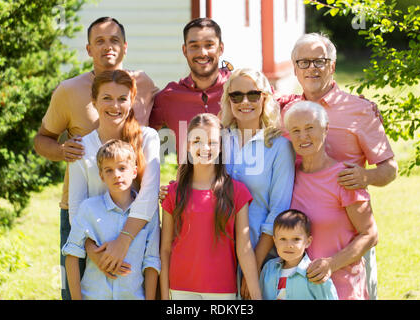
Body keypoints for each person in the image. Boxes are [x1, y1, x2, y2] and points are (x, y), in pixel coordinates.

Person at [33, 16, 158, 300]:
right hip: (80, 213)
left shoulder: (144, 84)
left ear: (125, 47)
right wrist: (64, 151)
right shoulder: (68, 90)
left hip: (135, 216)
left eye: (114, 40)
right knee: (75, 288)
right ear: (88, 49)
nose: (107, 47)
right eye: (99, 41)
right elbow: (41, 139)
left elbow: (162, 130)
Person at [280, 33, 398, 299]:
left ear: (332, 66)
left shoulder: (359, 110)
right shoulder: (286, 111)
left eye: (319, 61)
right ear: (295, 68)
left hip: (349, 242)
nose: (312, 68)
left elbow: (390, 169)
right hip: (299, 244)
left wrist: (364, 176)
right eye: (304, 62)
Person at [68, 70, 160, 280]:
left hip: (138, 252)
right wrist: (94, 253)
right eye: (107, 98)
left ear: (132, 101)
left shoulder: (148, 138)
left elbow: (148, 197)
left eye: (122, 99)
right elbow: (76, 210)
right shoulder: (80, 147)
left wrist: (123, 242)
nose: (115, 106)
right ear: (94, 101)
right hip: (96, 254)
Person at [160, 113, 262, 300]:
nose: (205, 147)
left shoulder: (237, 192)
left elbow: (244, 248)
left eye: (212, 142)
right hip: (180, 288)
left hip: (222, 290)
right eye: (197, 140)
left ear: (221, 147)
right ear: (188, 145)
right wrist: (165, 296)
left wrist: (256, 295)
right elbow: (165, 248)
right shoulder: (173, 193)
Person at [283, 101, 379, 300]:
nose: (303, 136)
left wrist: (331, 264)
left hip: (342, 288)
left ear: (325, 129)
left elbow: (370, 234)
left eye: (310, 128)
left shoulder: (344, 177)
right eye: (296, 130)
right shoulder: (288, 174)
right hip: (300, 291)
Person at [220, 68, 295, 299]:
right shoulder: (218, 140)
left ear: (264, 98)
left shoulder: (279, 147)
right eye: (236, 96)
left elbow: (279, 209)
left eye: (253, 95)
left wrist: (254, 264)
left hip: (261, 252)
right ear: (228, 100)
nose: (245, 102)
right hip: (218, 253)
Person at [62, 139, 160, 300]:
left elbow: (151, 262)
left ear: (134, 172)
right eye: (109, 170)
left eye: (122, 168)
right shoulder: (88, 209)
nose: (116, 175)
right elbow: (72, 255)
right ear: (101, 176)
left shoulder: (149, 214)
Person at [149, 18, 230, 160]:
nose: (202, 53)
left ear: (221, 48)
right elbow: (138, 132)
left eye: (209, 45)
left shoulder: (239, 89)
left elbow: (278, 105)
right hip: (188, 182)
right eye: (194, 46)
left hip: (235, 181)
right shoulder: (170, 97)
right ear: (185, 50)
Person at [260, 209, 338, 300]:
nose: (289, 245)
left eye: (296, 239)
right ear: (275, 241)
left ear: (308, 242)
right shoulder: (268, 269)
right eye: (283, 239)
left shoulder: (315, 273)